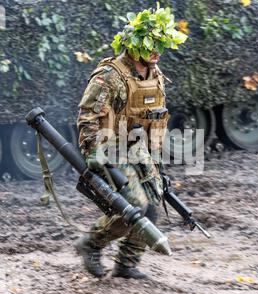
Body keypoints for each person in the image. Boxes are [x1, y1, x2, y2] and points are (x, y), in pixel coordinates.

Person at [75, 4, 188, 279]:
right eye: (152, 44)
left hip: (141, 149)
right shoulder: (110, 76)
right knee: (134, 205)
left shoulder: (155, 74)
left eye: (161, 45)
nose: (157, 52)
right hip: (111, 148)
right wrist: (93, 151)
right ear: (134, 44)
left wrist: (156, 163)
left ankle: (127, 264)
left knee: (153, 200)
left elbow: (156, 119)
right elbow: (87, 116)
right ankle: (91, 243)